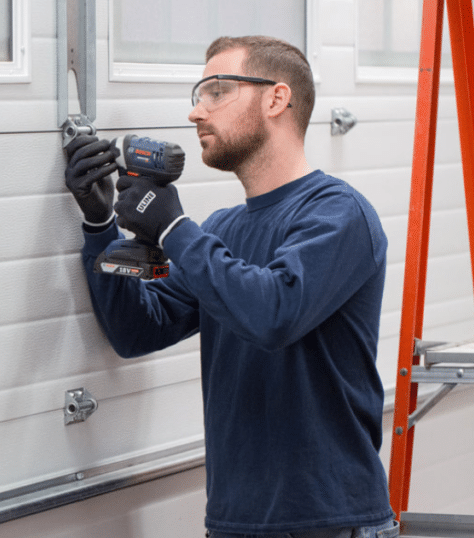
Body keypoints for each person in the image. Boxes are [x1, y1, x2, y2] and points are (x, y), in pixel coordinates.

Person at [63, 35, 397, 538]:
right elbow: (137, 330)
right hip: (233, 523)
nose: (197, 112)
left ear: (276, 99)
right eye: (198, 95)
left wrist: (175, 230)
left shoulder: (338, 214)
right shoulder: (223, 230)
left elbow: (275, 312)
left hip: (331, 523)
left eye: (217, 91)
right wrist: (100, 224)